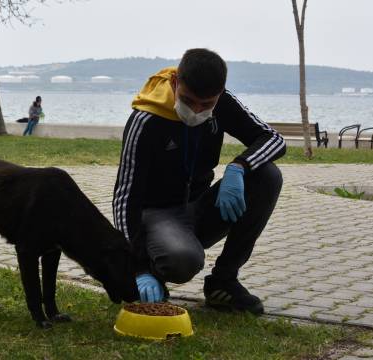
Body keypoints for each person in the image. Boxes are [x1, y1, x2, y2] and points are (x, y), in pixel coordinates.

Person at [112, 48, 285, 315]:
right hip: (157, 215)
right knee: (184, 260)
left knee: (267, 175)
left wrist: (238, 167)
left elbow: (274, 139)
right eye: (188, 100)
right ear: (175, 82)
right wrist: (137, 268)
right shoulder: (145, 120)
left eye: (206, 105)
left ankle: (223, 282)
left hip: (198, 207)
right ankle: (154, 272)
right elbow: (124, 198)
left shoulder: (224, 102)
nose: (196, 111)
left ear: (220, 93)